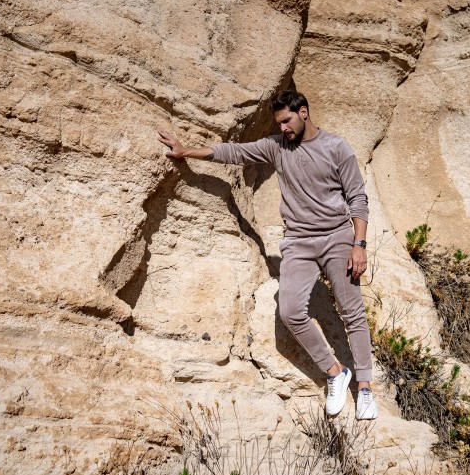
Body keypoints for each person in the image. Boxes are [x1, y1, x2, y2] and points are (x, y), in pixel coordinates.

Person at [157, 90, 378, 421]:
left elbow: (358, 198)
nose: (283, 128)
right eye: (279, 124)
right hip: (299, 242)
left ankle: (365, 388)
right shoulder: (277, 146)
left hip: (337, 238)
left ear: (304, 112)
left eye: (287, 121)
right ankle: (335, 372)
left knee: (352, 313)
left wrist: (358, 245)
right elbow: (234, 152)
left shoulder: (337, 147)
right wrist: (187, 150)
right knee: (290, 311)